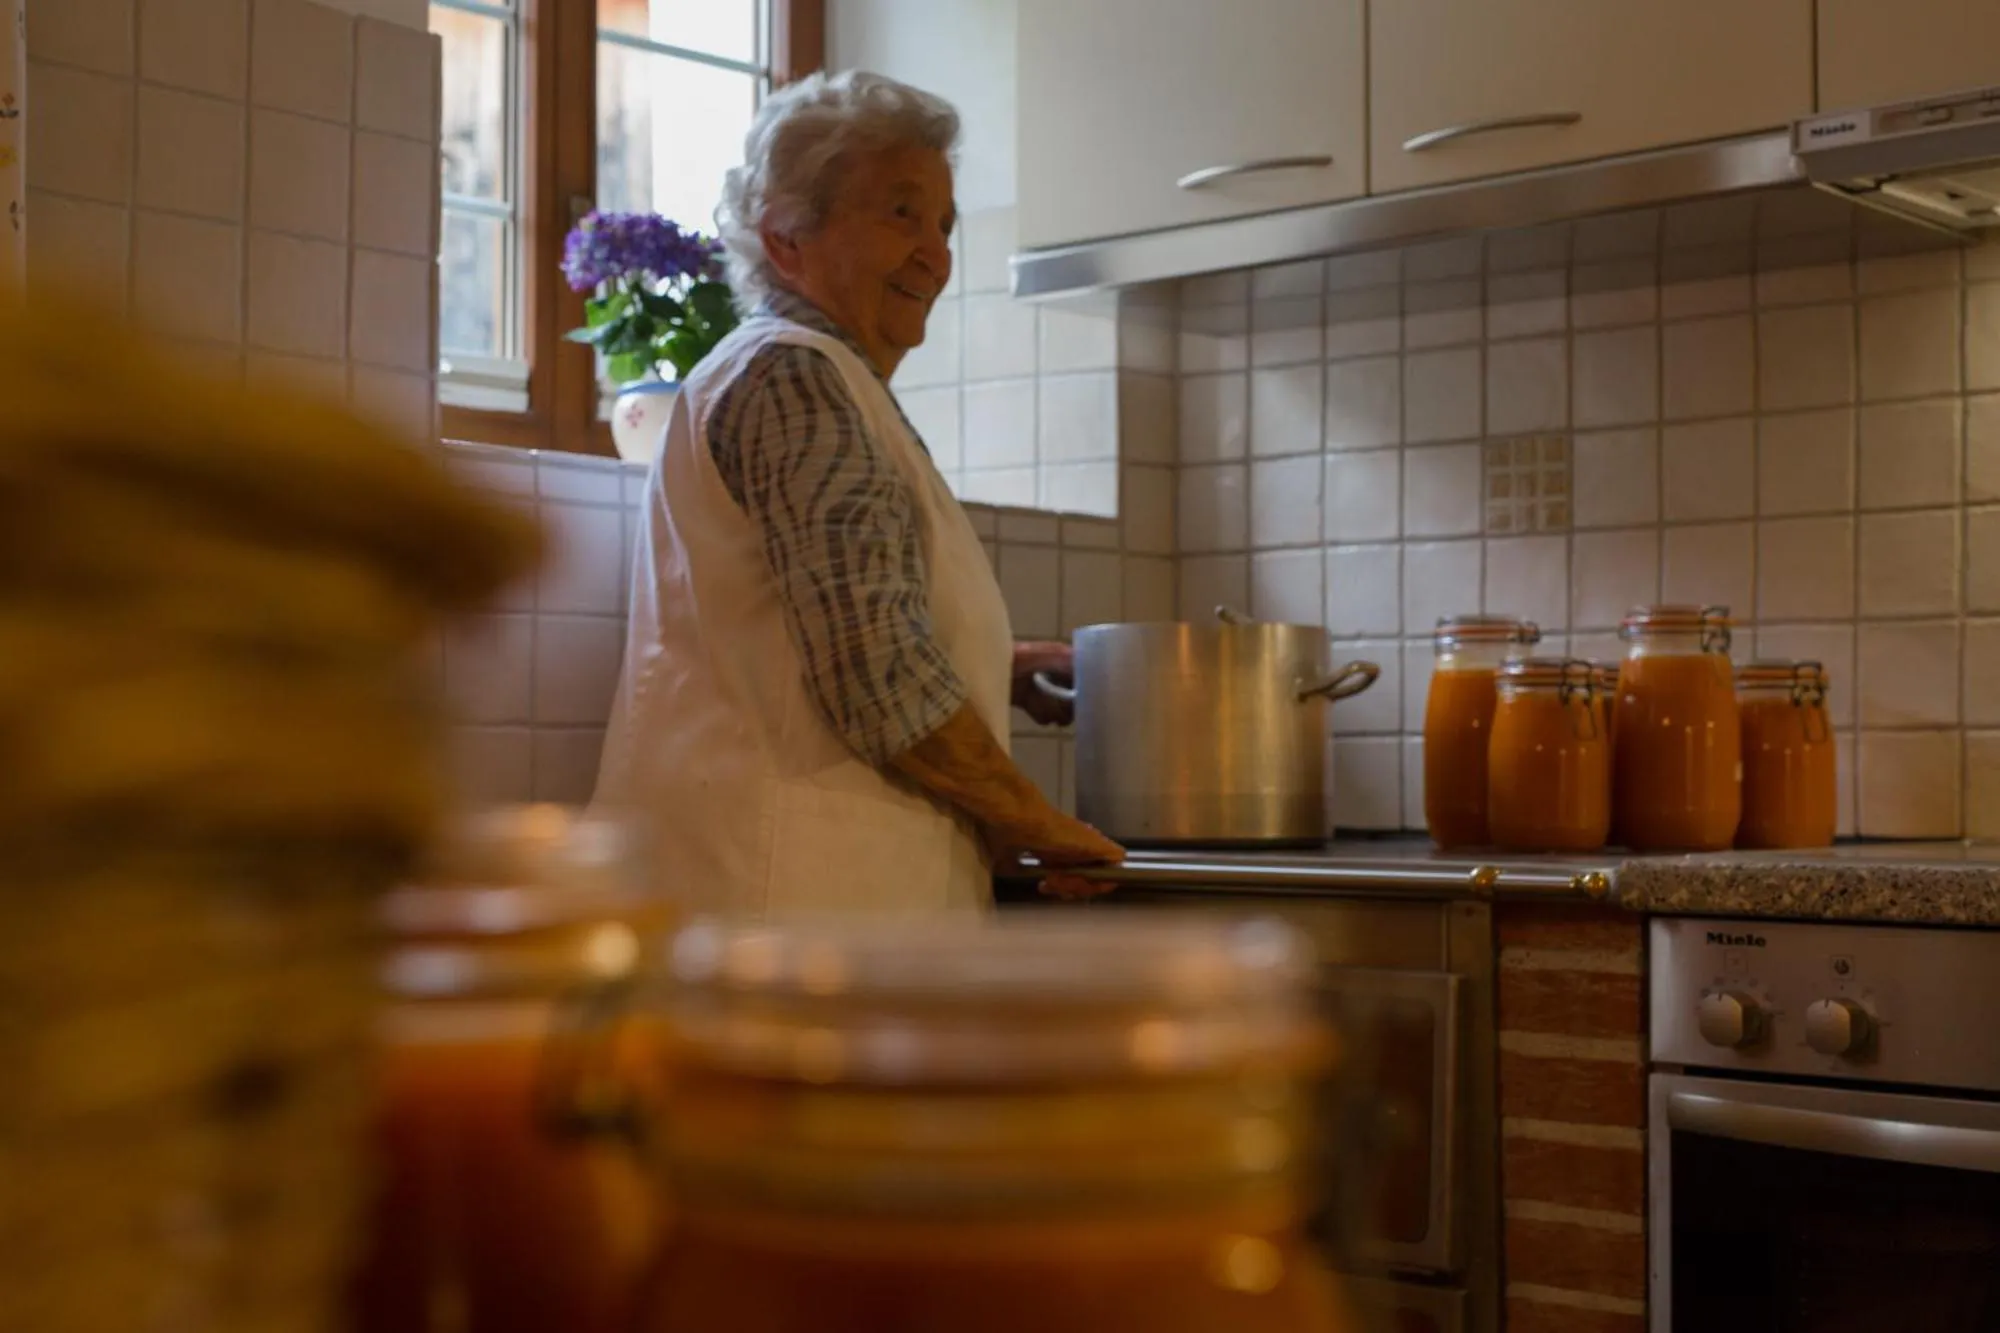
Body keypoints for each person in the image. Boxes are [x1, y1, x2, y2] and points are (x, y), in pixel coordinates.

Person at [594, 70, 1124, 917]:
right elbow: (876, 672)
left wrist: (999, 666)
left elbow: (820, 630)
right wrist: (1040, 822)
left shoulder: (815, 380)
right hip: (786, 915)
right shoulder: (793, 377)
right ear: (786, 240)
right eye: (901, 213)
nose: (937, 253)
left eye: (945, 224)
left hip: (801, 914)